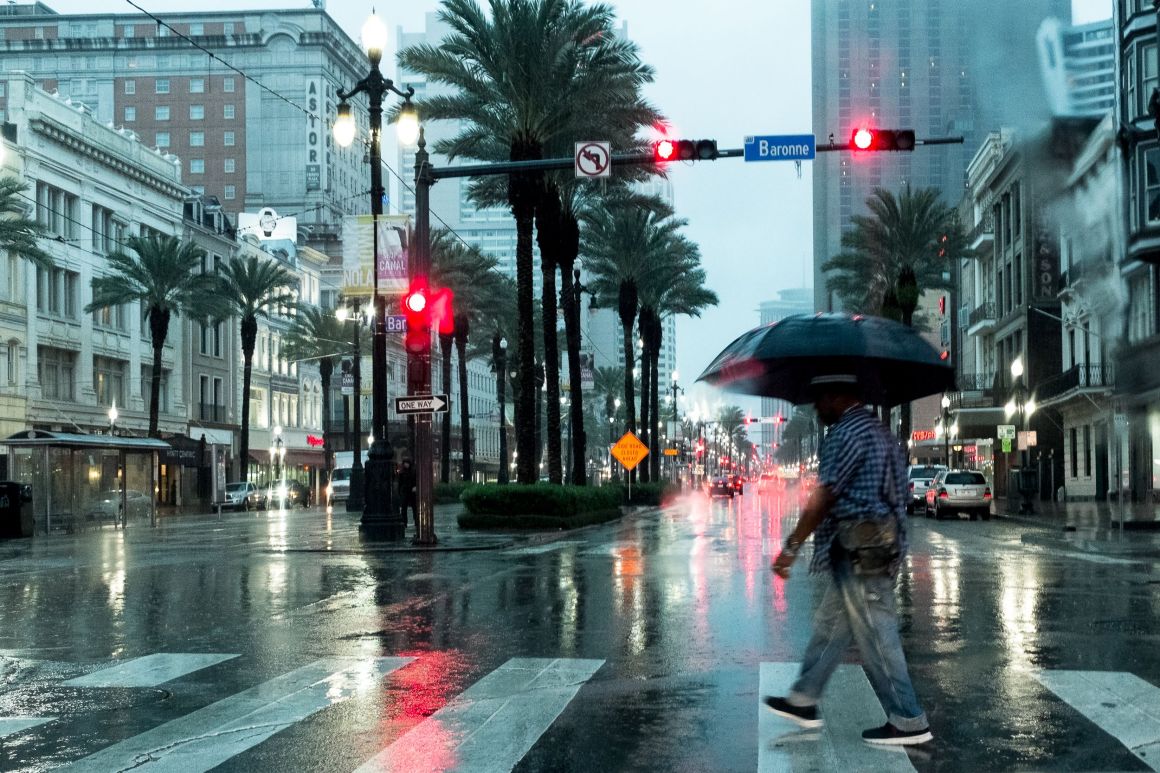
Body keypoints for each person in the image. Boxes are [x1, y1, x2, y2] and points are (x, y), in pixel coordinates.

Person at [764, 374, 932, 746]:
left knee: (877, 633)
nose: (817, 408)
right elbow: (899, 495)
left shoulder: (844, 435)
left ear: (837, 396)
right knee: (830, 625)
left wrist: (790, 548)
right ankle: (804, 699)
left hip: (860, 548)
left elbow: (823, 497)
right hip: (874, 546)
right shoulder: (882, 433)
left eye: (820, 399)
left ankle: (908, 718)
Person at [397, 459, 418, 533]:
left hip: (412, 491)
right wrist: (399, 492)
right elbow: (400, 483)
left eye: (407, 463)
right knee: (404, 508)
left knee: (414, 507)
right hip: (405, 491)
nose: (406, 465)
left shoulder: (414, 472)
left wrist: (415, 486)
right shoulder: (401, 473)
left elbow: (416, 480)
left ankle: (416, 522)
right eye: (405, 463)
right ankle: (404, 523)